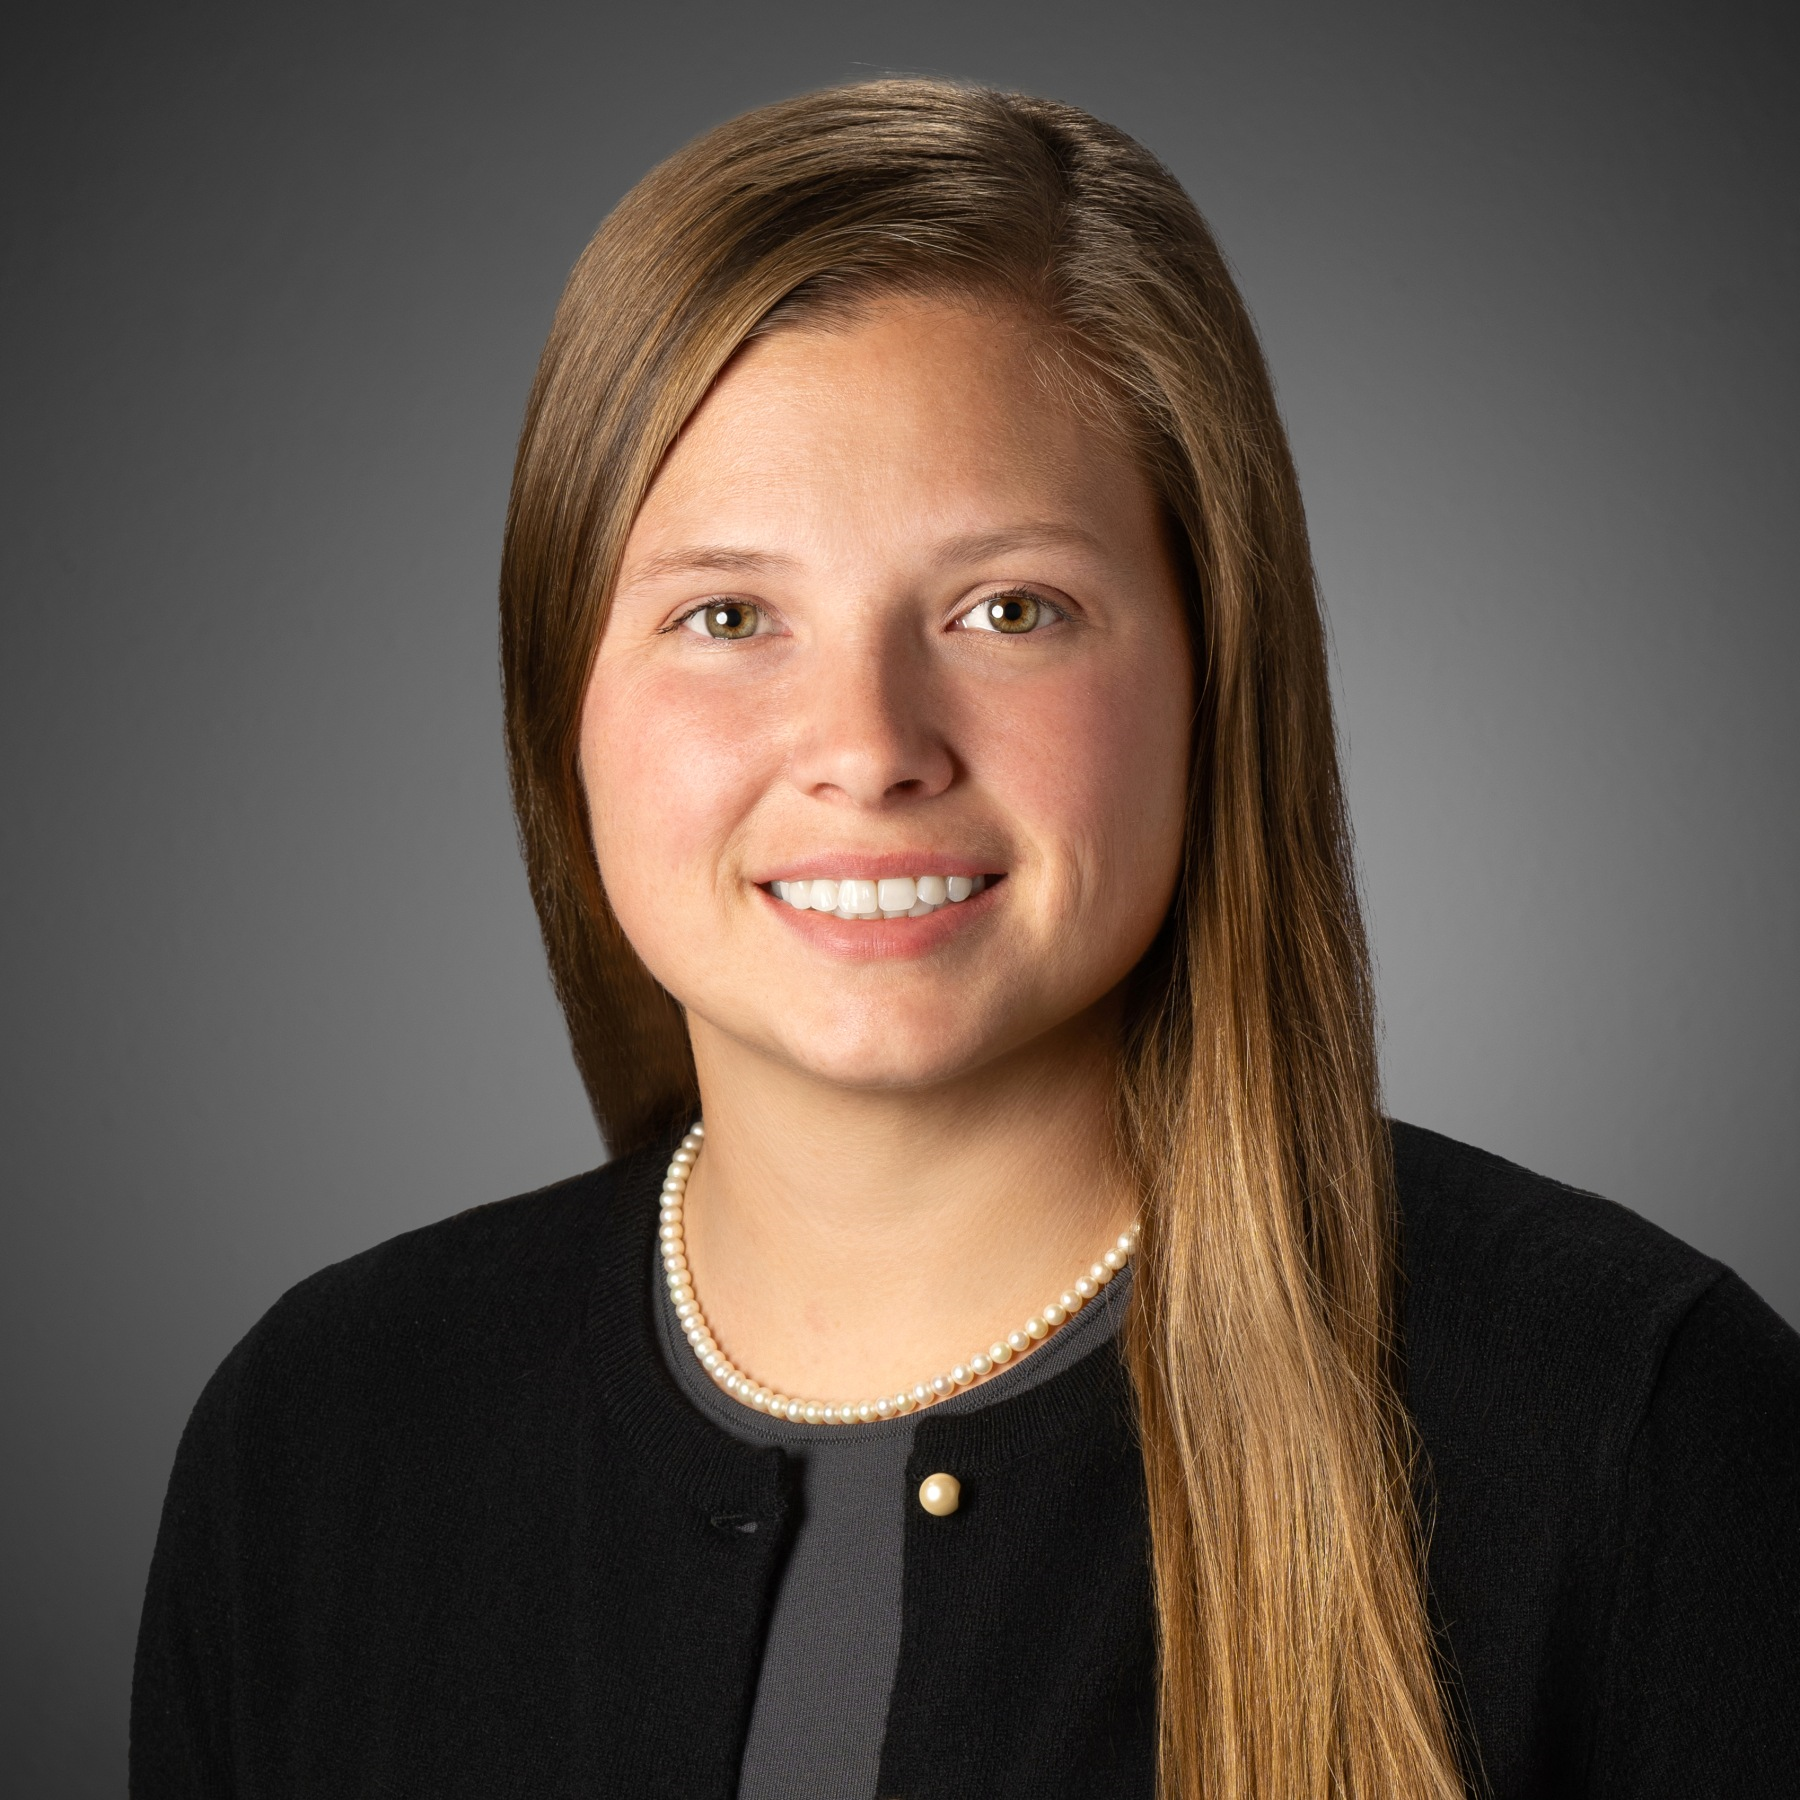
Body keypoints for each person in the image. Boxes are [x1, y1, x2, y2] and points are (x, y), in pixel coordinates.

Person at [130, 80, 1800, 1800]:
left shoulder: (1647, 1435)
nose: (869, 747)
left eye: (1009, 609)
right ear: (563, 697)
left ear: (1215, 676)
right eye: (728, 614)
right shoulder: (317, 1442)